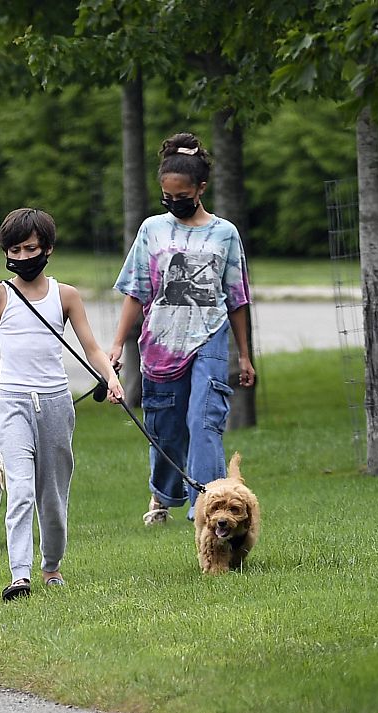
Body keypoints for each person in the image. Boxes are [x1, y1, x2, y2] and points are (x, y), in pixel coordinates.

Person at [0, 208, 123, 602]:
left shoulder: (66, 296)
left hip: (56, 404)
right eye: (15, 249)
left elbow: (92, 347)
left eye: (30, 248)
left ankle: (51, 565)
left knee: (53, 495)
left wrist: (111, 379)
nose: (24, 257)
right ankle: (19, 575)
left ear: (47, 249)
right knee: (21, 490)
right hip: (13, 404)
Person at [109, 132, 255, 526]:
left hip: (209, 336)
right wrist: (117, 346)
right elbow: (137, 291)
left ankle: (206, 509)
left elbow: (237, 297)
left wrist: (243, 354)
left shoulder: (225, 233)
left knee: (203, 421)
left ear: (200, 188)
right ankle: (163, 494)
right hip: (161, 342)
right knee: (167, 429)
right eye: (167, 195)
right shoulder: (151, 230)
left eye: (181, 194)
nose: (173, 202)